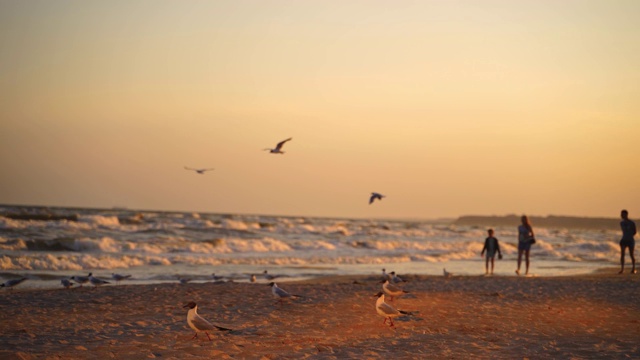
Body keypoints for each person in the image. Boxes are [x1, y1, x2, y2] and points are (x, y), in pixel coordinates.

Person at [619, 210, 636, 274]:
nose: (621, 215)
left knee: (631, 254)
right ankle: (622, 269)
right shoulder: (621, 223)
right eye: (621, 214)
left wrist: (630, 235)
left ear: (626, 215)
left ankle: (633, 268)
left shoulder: (631, 223)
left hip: (630, 240)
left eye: (623, 214)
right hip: (624, 239)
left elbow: (634, 231)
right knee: (622, 254)